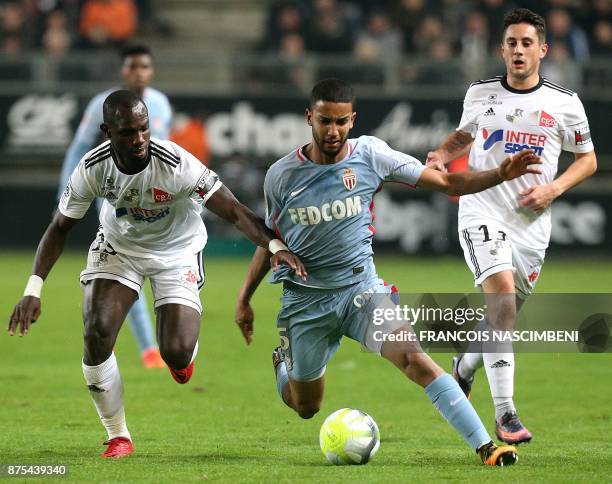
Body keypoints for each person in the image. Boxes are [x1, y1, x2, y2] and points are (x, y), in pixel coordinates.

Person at [234, 78, 541, 466]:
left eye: (341, 122)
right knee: (306, 406)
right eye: (325, 121)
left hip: (360, 291)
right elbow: (269, 240)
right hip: (306, 302)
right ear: (309, 118)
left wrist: (500, 173)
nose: (333, 131)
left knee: (416, 360)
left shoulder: (371, 155)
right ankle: (285, 363)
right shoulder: (281, 176)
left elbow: (445, 180)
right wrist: (244, 299)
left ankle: (487, 447)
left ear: (353, 120)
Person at [8, 90, 305, 459]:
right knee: (96, 330)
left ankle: (182, 358)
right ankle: (118, 436)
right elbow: (59, 228)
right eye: (128, 132)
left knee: (176, 353)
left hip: (177, 253)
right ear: (107, 132)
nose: (139, 140)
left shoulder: (175, 162)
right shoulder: (92, 168)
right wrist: (33, 290)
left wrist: (275, 247)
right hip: (120, 250)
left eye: (144, 129)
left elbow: (233, 211)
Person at [426, 8, 597, 445]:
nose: (518, 50)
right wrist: (442, 155)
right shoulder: (480, 93)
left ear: (543, 49)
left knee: (502, 319)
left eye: (526, 43)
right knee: (500, 299)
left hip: (531, 225)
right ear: (501, 50)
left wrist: (552, 190)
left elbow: (588, 160)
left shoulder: (565, 103)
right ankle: (506, 415)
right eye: (511, 43)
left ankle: (464, 366)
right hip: (482, 210)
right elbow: (462, 135)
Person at [58, 44, 172, 369]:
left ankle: (126, 331)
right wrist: (64, 193)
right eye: (132, 66)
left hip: (154, 197)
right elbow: (78, 148)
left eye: (144, 66)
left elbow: (167, 151)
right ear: (123, 71)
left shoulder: (161, 104)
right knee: (126, 264)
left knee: (158, 264)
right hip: (113, 193)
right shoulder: (102, 105)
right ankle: (149, 348)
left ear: (151, 71)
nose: (138, 72)